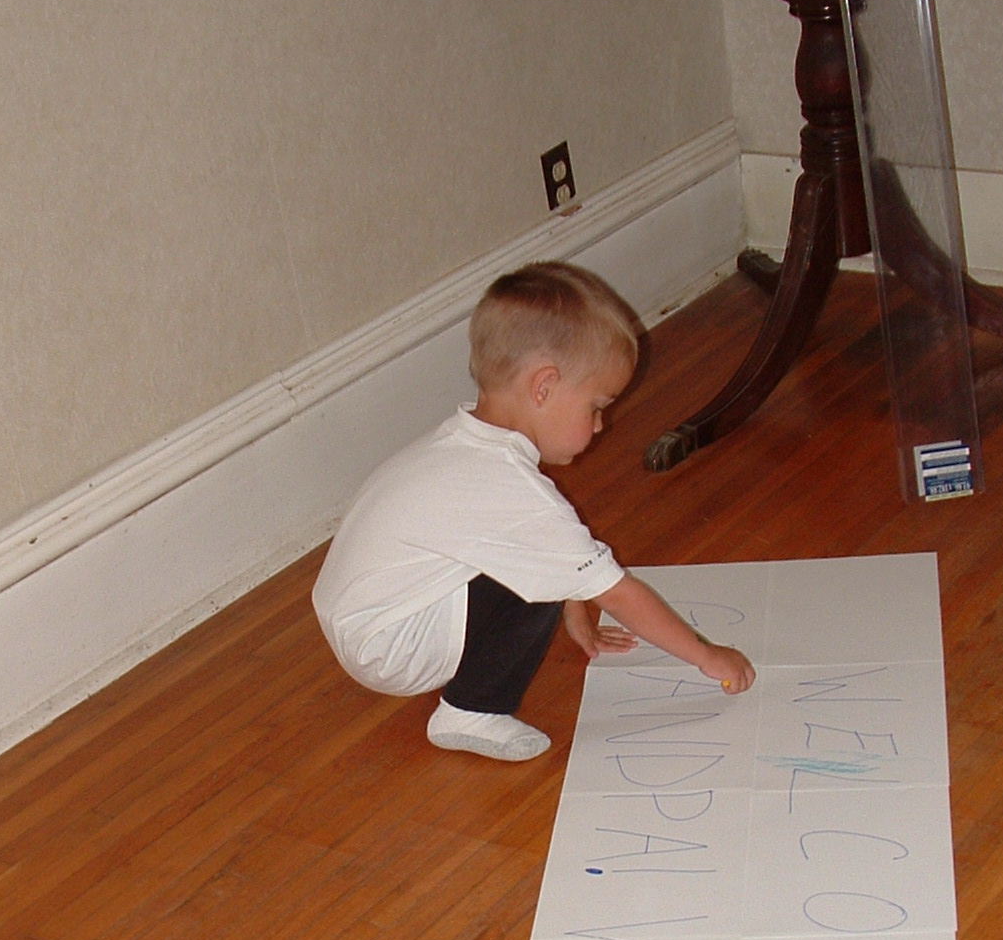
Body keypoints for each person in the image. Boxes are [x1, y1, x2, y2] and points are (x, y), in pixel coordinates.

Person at [312, 260, 757, 763]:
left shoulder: (463, 448)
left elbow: (534, 554)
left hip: (360, 619)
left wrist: (575, 608)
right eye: (596, 406)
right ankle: (470, 710)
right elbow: (621, 593)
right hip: (391, 650)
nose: (599, 426)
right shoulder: (511, 493)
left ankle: (467, 683)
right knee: (556, 551)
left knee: (551, 553)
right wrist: (707, 655)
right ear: (543, 387)